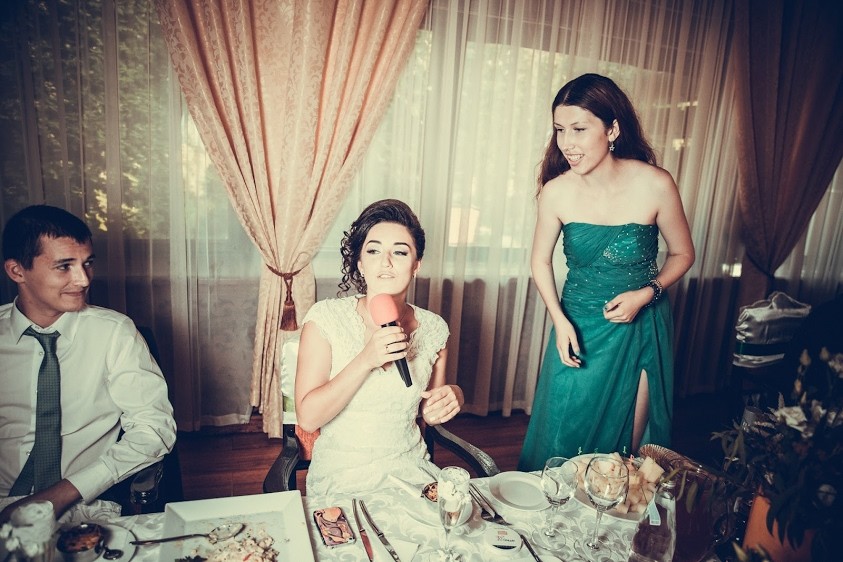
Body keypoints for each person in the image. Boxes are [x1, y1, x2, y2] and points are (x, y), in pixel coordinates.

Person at [518, 74, 695, 471]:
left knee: (627, 454)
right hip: (577, 325)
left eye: (579, 129)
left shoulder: (655, 184)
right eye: (560, 130)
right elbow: (540, 261)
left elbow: (683, 253)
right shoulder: (556, 191)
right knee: (562, 436)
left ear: (612, 129)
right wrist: (559, 320)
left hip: (640, 327)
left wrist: (647, 293)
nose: (567, 143)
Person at [0, 205, 176, 522]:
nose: (82, 280)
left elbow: (153, 428)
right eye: (64, 266)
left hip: (83, 507)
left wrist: (62, 494)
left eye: (87, 263)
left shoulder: (115, 332)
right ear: (17, 271)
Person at [295, 199, 464, 498]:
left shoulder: (435, 328)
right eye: (373, 251)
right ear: (360, 263)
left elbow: (428, 410)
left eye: (400, 252)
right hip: (342, 475)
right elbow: (308, 419)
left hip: (410, 469)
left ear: (416, 265)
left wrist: (454, 395)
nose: (386, 262)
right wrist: (365, 360)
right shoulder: (325, 319)